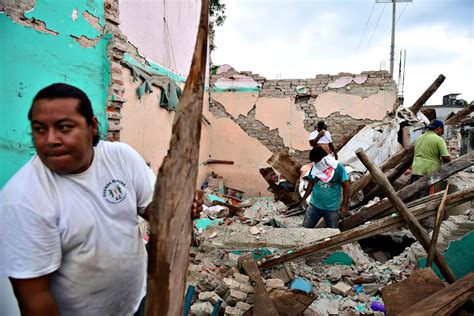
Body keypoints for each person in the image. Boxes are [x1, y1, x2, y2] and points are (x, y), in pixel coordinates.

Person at [0, 83, 202, 315]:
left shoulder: (121, 157)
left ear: (92, 126)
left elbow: (153, 210)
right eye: (39, 129)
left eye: (64, 128)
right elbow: (34, 297)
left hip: (139, 299)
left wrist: (181, 206)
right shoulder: (22, 200)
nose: (50, 140)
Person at [301, 146, 350, 228]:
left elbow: (346, 187)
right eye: (314, 162)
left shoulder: (337, 168)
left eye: (317, 161)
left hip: (332, 208)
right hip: (314, 206)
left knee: (332, 233)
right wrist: (304, 199)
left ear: (323, 159)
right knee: (305, 229)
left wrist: (344, 205)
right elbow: (311, 183)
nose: (316, 163)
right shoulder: (316, 167)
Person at [411, 119, 451, 196]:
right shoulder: (439, 139)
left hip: (416, 169)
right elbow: (446, 158)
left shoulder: (419, 138)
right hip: (427, 170)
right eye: (442, 129)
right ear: (439, 128)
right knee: (424, 197)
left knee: (416, 194)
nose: (442, 132)